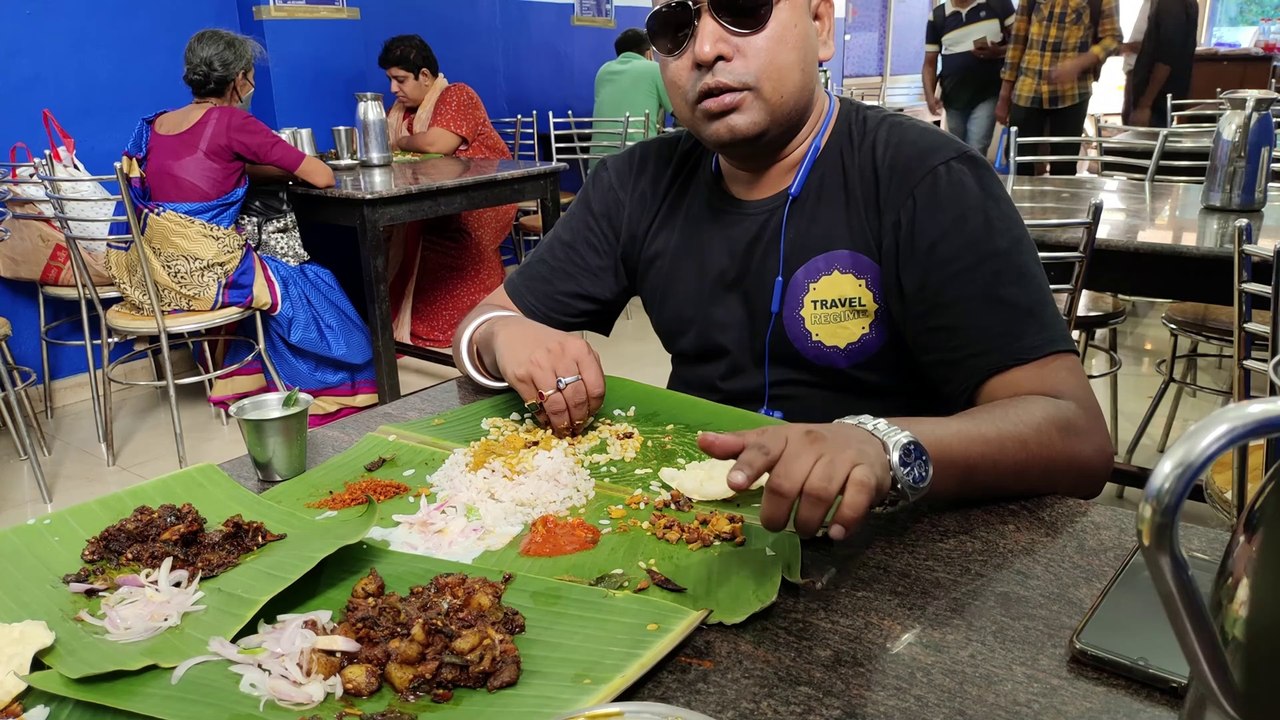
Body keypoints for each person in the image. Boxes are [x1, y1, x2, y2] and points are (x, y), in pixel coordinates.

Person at [452, 0, 1113, 543]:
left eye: (743, 10)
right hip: (682, 528)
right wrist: (505, 338)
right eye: (676, 28)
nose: (705, 48)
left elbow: (1074, 437)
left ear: (821, 27)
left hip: (883, 554)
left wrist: (882, 447)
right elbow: (481, 327)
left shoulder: (925, 181)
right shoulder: (636, 185)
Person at [109, 29, 377, 426]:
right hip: (210, 271)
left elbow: (203, 171)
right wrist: (280, 166)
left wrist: (244, 168)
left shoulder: (155, 125)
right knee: (311, 284)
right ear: (238, 79)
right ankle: (312, 384)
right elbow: (321, 176)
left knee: (266, 273)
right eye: (250, 76)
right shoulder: (233, 122)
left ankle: (233, 374)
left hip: (156, 272)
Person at [378, 35, 517, 349]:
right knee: (407, 226)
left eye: (400, 80)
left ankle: (469, 322)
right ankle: (414, 323)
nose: (393, 89)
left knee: (446, 229)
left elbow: (439, 144)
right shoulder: (402, 112)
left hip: (482, 197)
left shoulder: (457, 95)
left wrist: (401, 143)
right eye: (390, 80)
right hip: (434, 193)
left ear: (424, 76)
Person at [997, 0, 1122, 175]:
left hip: (1072, 93)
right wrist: (1004, 96)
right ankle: (1018, 203)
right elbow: (1017, 40)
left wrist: (1079, 64)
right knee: (1018, 163)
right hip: (1028, 89)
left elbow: (1113, 38)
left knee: (1063, 167)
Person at [923, 0, 1016, 154]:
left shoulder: (998, 4)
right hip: (954, 98)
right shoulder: (938, 16)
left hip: (988, 93)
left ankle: (973, 177)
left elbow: (1021, 43)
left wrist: (998, 52)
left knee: (976, 148)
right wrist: (929, 96)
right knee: (956, 150)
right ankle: (960, 178)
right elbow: (929, 63)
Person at [593, 28, 674, 152]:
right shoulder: (653, 69)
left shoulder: (602, 72)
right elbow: (678, 111)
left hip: (598, 165)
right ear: (642, 50)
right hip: (638, 162)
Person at [1121, 0, 1198, 128]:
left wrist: (1145, 104)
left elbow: (1166, 58)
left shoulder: (1171, 4)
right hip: (1158, 100)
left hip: (1157, 102)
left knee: (1145, 144)